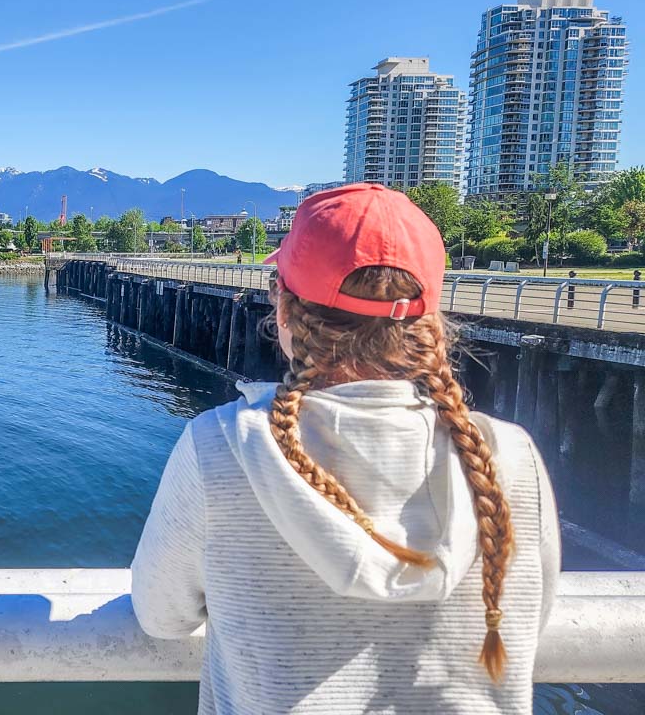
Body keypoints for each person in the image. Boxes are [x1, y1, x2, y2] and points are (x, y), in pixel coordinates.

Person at [131, 183, 560, 714]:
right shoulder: (510, 458)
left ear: (284, 309)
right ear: (429, 322)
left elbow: (161, 616)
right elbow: (529, 616)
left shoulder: (220, 448)